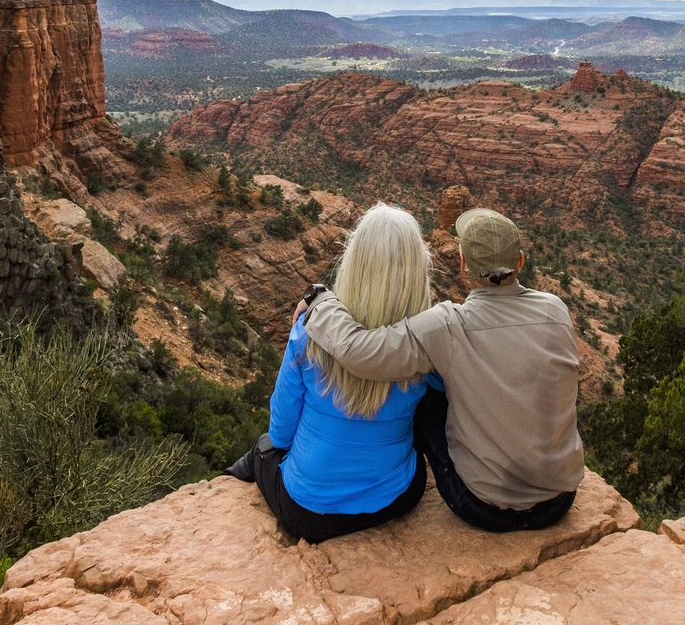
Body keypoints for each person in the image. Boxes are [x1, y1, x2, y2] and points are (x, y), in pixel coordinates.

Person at [302, 206, 583, 532]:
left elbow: (359, 351)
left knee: (425, 395)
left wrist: (318, 299)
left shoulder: (448, 326)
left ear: (463, 265)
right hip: (560, 499)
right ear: (520, 261)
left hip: (483, 507)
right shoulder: (556, 310)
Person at [224, 203, 441, 542]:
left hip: (311, 513)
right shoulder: (428, 347)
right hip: (396, 498)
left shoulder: (308, 335)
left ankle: (243, 468)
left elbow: (281, 435)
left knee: (264, 448)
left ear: (353, 262)